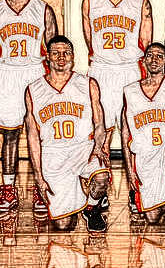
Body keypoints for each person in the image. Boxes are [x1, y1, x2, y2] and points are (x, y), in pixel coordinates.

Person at [0, 0, 58, 219]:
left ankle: (41, 188)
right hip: (8, 73)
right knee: (10, 135)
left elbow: (53, 49)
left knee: (41, 135)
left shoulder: (43, 9)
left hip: (35, 72)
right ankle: (8, 189)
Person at [24, 36, 111, 232]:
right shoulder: (33, 90)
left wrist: (98, 147)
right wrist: (38, 176)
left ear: (73, 56)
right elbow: (33, 137)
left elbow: (99, 124)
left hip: (83, 149)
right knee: (64, 225)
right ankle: (73, 199)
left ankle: (91, 208)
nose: (61, 57)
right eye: (56, 53)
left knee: (101, 177)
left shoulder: (88, 83)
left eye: (66, 53)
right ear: (47, 57)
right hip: (53, 155)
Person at [81, 0, 153, 160]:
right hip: (101, 69)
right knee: (100, 128)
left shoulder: (140, 1)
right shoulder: (90, 1)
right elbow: (89, 39)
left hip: (130, 69)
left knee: (133, 129)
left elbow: (146, 41)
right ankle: (102, 176)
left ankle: (134, 180)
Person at [120, 43, 165, 234]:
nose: (154, 60)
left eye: (159, 56)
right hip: (145, 153)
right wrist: (129, 172)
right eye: (150, 55)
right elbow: (125, 135)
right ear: (143, 60)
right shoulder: (130, 91)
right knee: (153, 218)